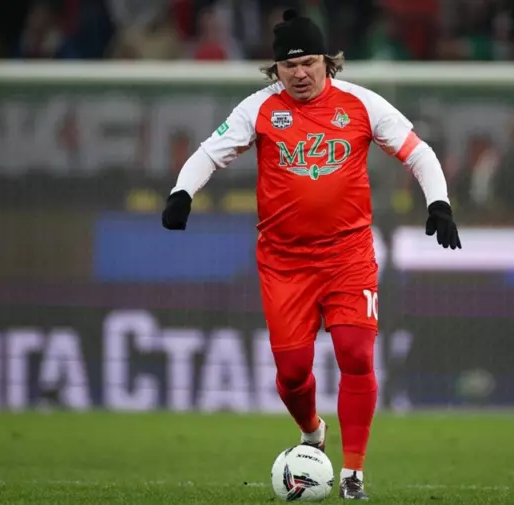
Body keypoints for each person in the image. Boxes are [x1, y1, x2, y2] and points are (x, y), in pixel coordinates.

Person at [161, 9, 461, 500]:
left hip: (348, 255)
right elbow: (210, 152)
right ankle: (312, 432)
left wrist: (439, 203)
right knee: (293, 371)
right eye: (289, 65)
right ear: (275, 69)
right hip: (284, 262)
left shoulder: (362, 104)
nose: (300, 74)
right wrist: (182, 193)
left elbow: (418, 152)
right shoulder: (259, 109)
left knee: (356, 353)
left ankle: (353, 473)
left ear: (328, 61)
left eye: (309, 63)